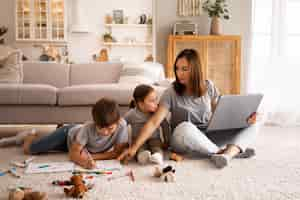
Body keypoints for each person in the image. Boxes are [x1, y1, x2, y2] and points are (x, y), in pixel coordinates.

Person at [118, 49, 259, 169]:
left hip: (208, 135)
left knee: (254, 123)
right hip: (182, 139)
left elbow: (221, 114)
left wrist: (244, 118)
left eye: (184, 69)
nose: (179, 73)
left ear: (196, 69)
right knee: (185, 127)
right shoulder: (170, 92)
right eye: (177, 69)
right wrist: (134, 147)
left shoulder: (209, 86)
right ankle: (225, 152)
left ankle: (228, 154)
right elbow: (154, 122)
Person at [0, 98, 129, 169]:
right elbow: (73, 154)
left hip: (83, 147)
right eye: (101, 128)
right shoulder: (87, 128)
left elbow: (116, 153)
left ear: (117, 122)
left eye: (110, 129)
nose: (106, 133)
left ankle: (41, 138)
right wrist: (84, 162)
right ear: (95, 122)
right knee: (30, 149)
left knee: (47, 145)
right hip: (67, 135)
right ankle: (29, 135)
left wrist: (91, 158)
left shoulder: (121, 125)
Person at [124, 84, 170, 165]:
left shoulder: (157, 113)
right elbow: (122, 125)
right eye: (152, 101)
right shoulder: (132, 114)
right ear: (140, 104)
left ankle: (157, 156)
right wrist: (123, 144)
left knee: (157, 148)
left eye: (156, 99)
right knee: (140, 149)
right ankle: (142, 157)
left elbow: (165, 125)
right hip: (137, 140)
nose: (156, 103)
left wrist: (167, 140)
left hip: (154, 138)